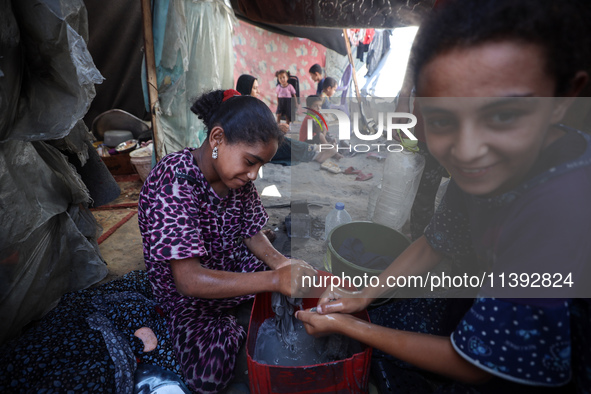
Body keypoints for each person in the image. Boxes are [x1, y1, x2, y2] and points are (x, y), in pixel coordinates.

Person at [296, 0, 591, 391]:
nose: (467, 150)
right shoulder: (485, 171)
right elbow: (435, 242)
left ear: (564, 99)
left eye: (502, 116)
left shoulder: (564, 204)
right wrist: (362, 296)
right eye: (441, 120)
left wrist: (347, 324)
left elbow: (475, 365)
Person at [137, 89, 317, 393]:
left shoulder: (235, 178)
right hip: (189, 299)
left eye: (261, 166)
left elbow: (250, 231)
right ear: (217, 139)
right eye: (250, 161)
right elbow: (189, 281)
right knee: (209, 376)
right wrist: (273, 279)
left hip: (226, 261)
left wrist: (281, 263)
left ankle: (258, 296)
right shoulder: (174, 182)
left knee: (297, 274)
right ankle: (237, 317)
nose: (254, 175)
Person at [236, 74, 340, 165]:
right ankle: (315, 153)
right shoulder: (241, 109)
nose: (258, 91)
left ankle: (316, 151)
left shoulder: (249, 105)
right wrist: (275, 128)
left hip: (262, 141)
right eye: (254, 88)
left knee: (286, 142)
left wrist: (275, 128)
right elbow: (250, 133)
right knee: (283, 146)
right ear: (246, 89)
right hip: (256, 146)